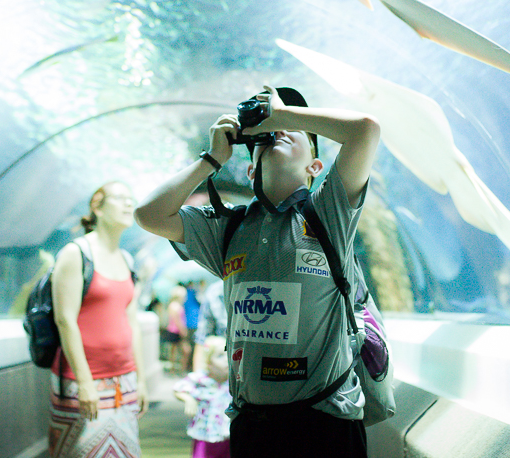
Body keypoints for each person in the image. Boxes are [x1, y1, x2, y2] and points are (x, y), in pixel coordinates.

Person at [135, 85, 380, 458]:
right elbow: (148, 214)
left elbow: (365, 130)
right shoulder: (227, 229)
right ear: (250, 170)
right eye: (267, 135)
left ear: (316, 168)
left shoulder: (328, 213)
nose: (278, 131)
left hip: (326, 420)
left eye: (296, 135)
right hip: (253, 422)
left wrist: (281, 115)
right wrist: (212, 159)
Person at [49, 181, 148, 458]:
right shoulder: (76, 253)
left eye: (131, 198)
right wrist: (84, 382)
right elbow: (65, 320)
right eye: (120, 198)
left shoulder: (127, 259)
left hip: (123, 380)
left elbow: (132, 322)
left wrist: (140, 379)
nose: (129, 204)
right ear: (97, 207)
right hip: (84, 379)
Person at [173, 335, 232, 458]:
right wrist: (188, 399)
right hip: (204, 435)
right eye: (219, 356)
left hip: (227, 436)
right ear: (209, 363)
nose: (226, 360)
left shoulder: (233, 382)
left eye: (227, 354)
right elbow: (178, 388)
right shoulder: (201, 379)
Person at [165, 285, 191, 373]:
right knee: (183, 350)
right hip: (176, 331)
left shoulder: (174, 305)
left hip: (173, 330)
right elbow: (177, 321)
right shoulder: (175, 306)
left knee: (174, 351)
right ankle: (181, 369)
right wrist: (183, 330)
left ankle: (176, 369)